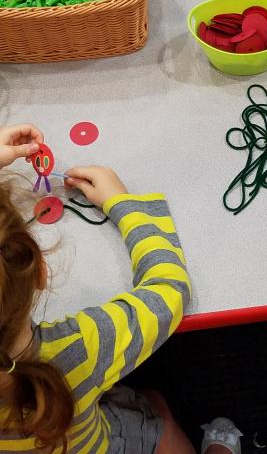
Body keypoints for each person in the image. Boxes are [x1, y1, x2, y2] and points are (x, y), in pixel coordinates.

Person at [0, 124, 242, 454]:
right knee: (157, 413)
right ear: (40, 272)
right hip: (104, 445)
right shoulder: (82, 347)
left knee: (145, 399)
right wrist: (122, 203)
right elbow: (168, 289)